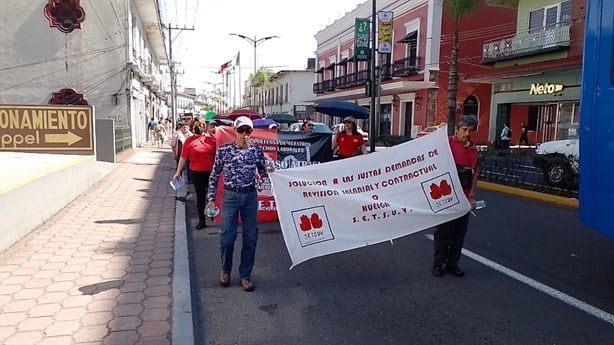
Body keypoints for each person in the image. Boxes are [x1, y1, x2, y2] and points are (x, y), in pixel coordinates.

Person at [206, 116, 271, 292]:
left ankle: (245, 275)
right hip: (230, 196)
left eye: (248, 131)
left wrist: (273, 174)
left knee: (250, 238)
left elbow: (264, 172)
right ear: (235, 131)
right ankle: (226, 270)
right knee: (227, 238)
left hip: (250, 196)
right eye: (241, 130)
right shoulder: (224, 150)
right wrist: (211, 199)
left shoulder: (256, 151)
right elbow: (214, 175)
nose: (245, 134)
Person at [432, 115, 479, 278]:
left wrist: (472, 194)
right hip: (446, 196)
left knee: (460, 233)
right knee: (443, 232)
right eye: (464, 130)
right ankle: (438, 262)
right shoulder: (446, 144)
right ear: (457, 130)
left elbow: (475, 173)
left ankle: (453, 263)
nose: (467, 133)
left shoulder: (474, 150)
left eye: (471, 130)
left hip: (464, 197)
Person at [173, 118, 216, 230]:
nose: (199, 126)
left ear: (205, 126)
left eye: (201, 124)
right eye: (197, 125)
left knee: (211, 196)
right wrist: (178, 172)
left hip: (211, 172)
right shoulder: (189, 141)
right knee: (201, 196)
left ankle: (212, 216)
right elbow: (183, 157)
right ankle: (202, 220)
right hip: (196, 172)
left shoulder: (211, 139)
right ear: (193, 127)